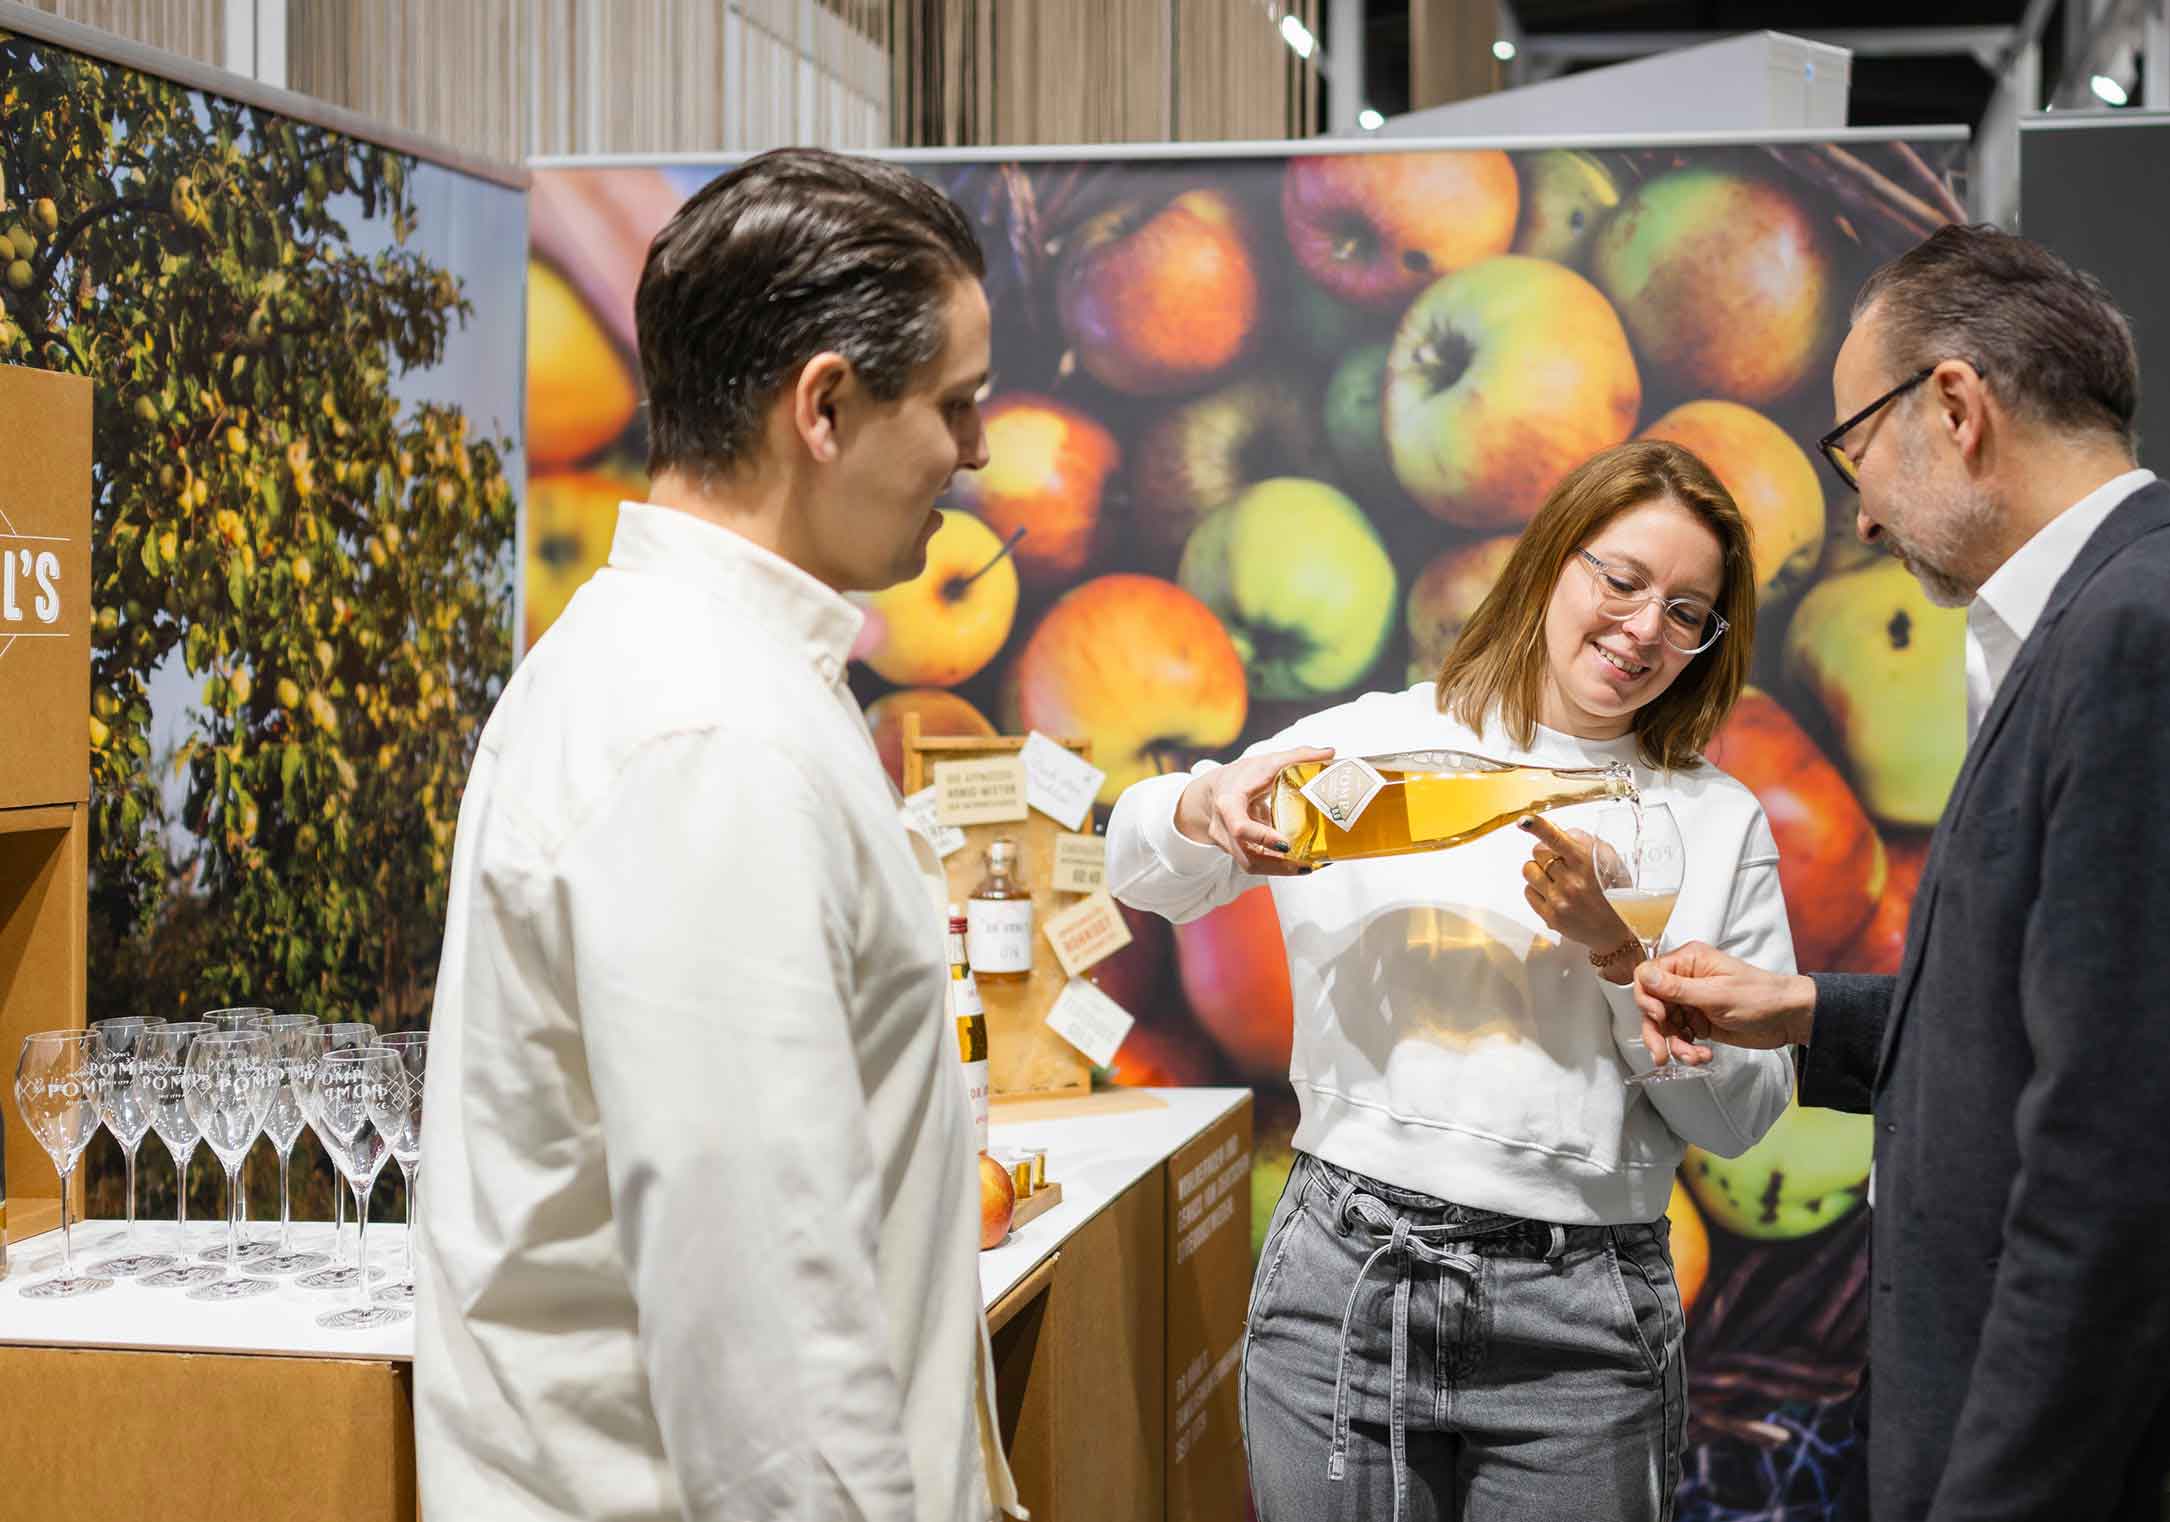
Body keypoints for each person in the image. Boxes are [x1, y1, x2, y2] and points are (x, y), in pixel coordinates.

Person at [1631, 225, 2170, 1520]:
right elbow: (2076, 1022)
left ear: (1955, 407)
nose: (1859, 511)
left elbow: (2117, 1171)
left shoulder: (2144, 641)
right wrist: (1803, 1014)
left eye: (1856, 446)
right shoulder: (2145, 603)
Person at [413, 148, 1020, 1522]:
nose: (976, 450)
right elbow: (768, 1338)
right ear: (825, 405)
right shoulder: (711, 736)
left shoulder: (689, 677)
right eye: (957, 403)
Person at [1106, 439, 1795, 1521]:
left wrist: (1618, 957)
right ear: (1552, 562)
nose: (1640, 629)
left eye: (1685, 611)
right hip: (1346, 1285)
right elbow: (1144, 869)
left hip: (1585, 1323)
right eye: (1620, 580)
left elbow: (1743, 1113)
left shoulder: (1716, 822)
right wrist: (1204, 806)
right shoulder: (1380, 747)